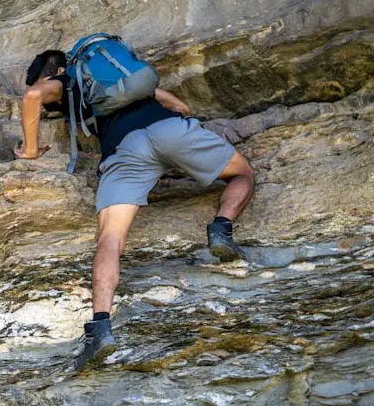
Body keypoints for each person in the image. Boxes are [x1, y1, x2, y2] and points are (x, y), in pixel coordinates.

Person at [14, 49, 255, 369]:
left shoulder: (64, 80)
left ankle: (100, 327)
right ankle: (221, 229)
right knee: (243, 174)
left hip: (124, 151)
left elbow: (32, 95)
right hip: (171, 131)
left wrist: (31, 151)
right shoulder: (120, 81)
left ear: (56, 70)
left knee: (109, 240)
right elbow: (180, 107)